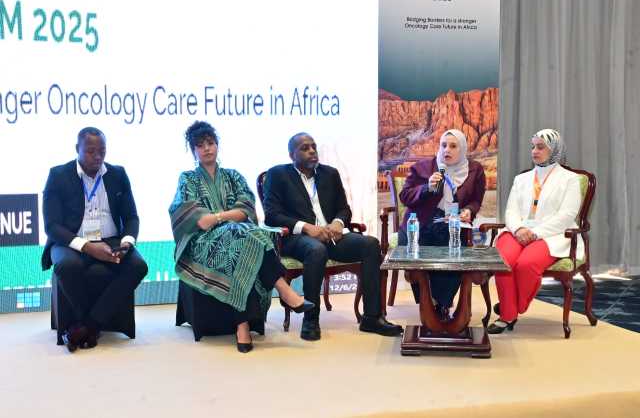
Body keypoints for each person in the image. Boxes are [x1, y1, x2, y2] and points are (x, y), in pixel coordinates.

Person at [169, 121, 313, 353]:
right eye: (200, 145)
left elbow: (246, 208)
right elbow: (199, 220)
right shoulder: (187, 179)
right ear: (193, 150)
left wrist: (218, 217)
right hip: (202, 242)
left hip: (238, 237)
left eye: (210, 143)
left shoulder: (233, 176)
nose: (207, 148)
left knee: (242, 242)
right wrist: (226, 218)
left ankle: (242, 325)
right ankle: (284, 289)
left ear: (217, 145)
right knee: (244, 235)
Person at [263, 132, 403, 341]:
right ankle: (311, 319)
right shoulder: (278, 175)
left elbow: (344, 209)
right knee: (316, 250)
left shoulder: (329, 174)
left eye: (313, 146)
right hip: (297, 238)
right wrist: (306, 228)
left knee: (370, 244)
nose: (312, 151)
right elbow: (272, 215)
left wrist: (338, 222)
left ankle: (372, 318)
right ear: (292, 155)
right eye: (305, 148)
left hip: (331, 235)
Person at [42, 127, 149, 352]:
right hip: (72, 241)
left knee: (138, 266)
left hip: (112, 240)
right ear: (77, 149)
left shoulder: (118, 174)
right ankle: (90, 326)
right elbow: (52, 226)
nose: (98, 156)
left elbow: (131, 217)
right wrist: (88, 247)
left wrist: (127, 242)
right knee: (67, 266)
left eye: (102, 151)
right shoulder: (58, 175)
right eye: (91, 151)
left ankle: (88, 326)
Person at [487, 129, 583, 334]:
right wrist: (519, 228)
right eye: (533, 147)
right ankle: (507, 316)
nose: (534, 151)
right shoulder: (521, 179)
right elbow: (511, 210)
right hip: (517, 231)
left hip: (552, 234)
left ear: (554, 149)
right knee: (502, 261)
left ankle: (512, 307)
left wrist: (535, 233)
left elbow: (567, 215)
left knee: (526, 264)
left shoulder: (570, 179)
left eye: (540, 147)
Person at [398, 129, 486, 318]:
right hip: (420, 223)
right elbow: (404, 196)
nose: (447, 150)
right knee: (417, 251)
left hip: (451, 223)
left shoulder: (475, 170)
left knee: (455, 253)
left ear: (462, 149)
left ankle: (442, 303)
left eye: (453, 146)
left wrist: (469, 210)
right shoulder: (423, 167)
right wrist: (426, 188)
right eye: (444, 145)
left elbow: (476, 200)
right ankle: (428, 301)